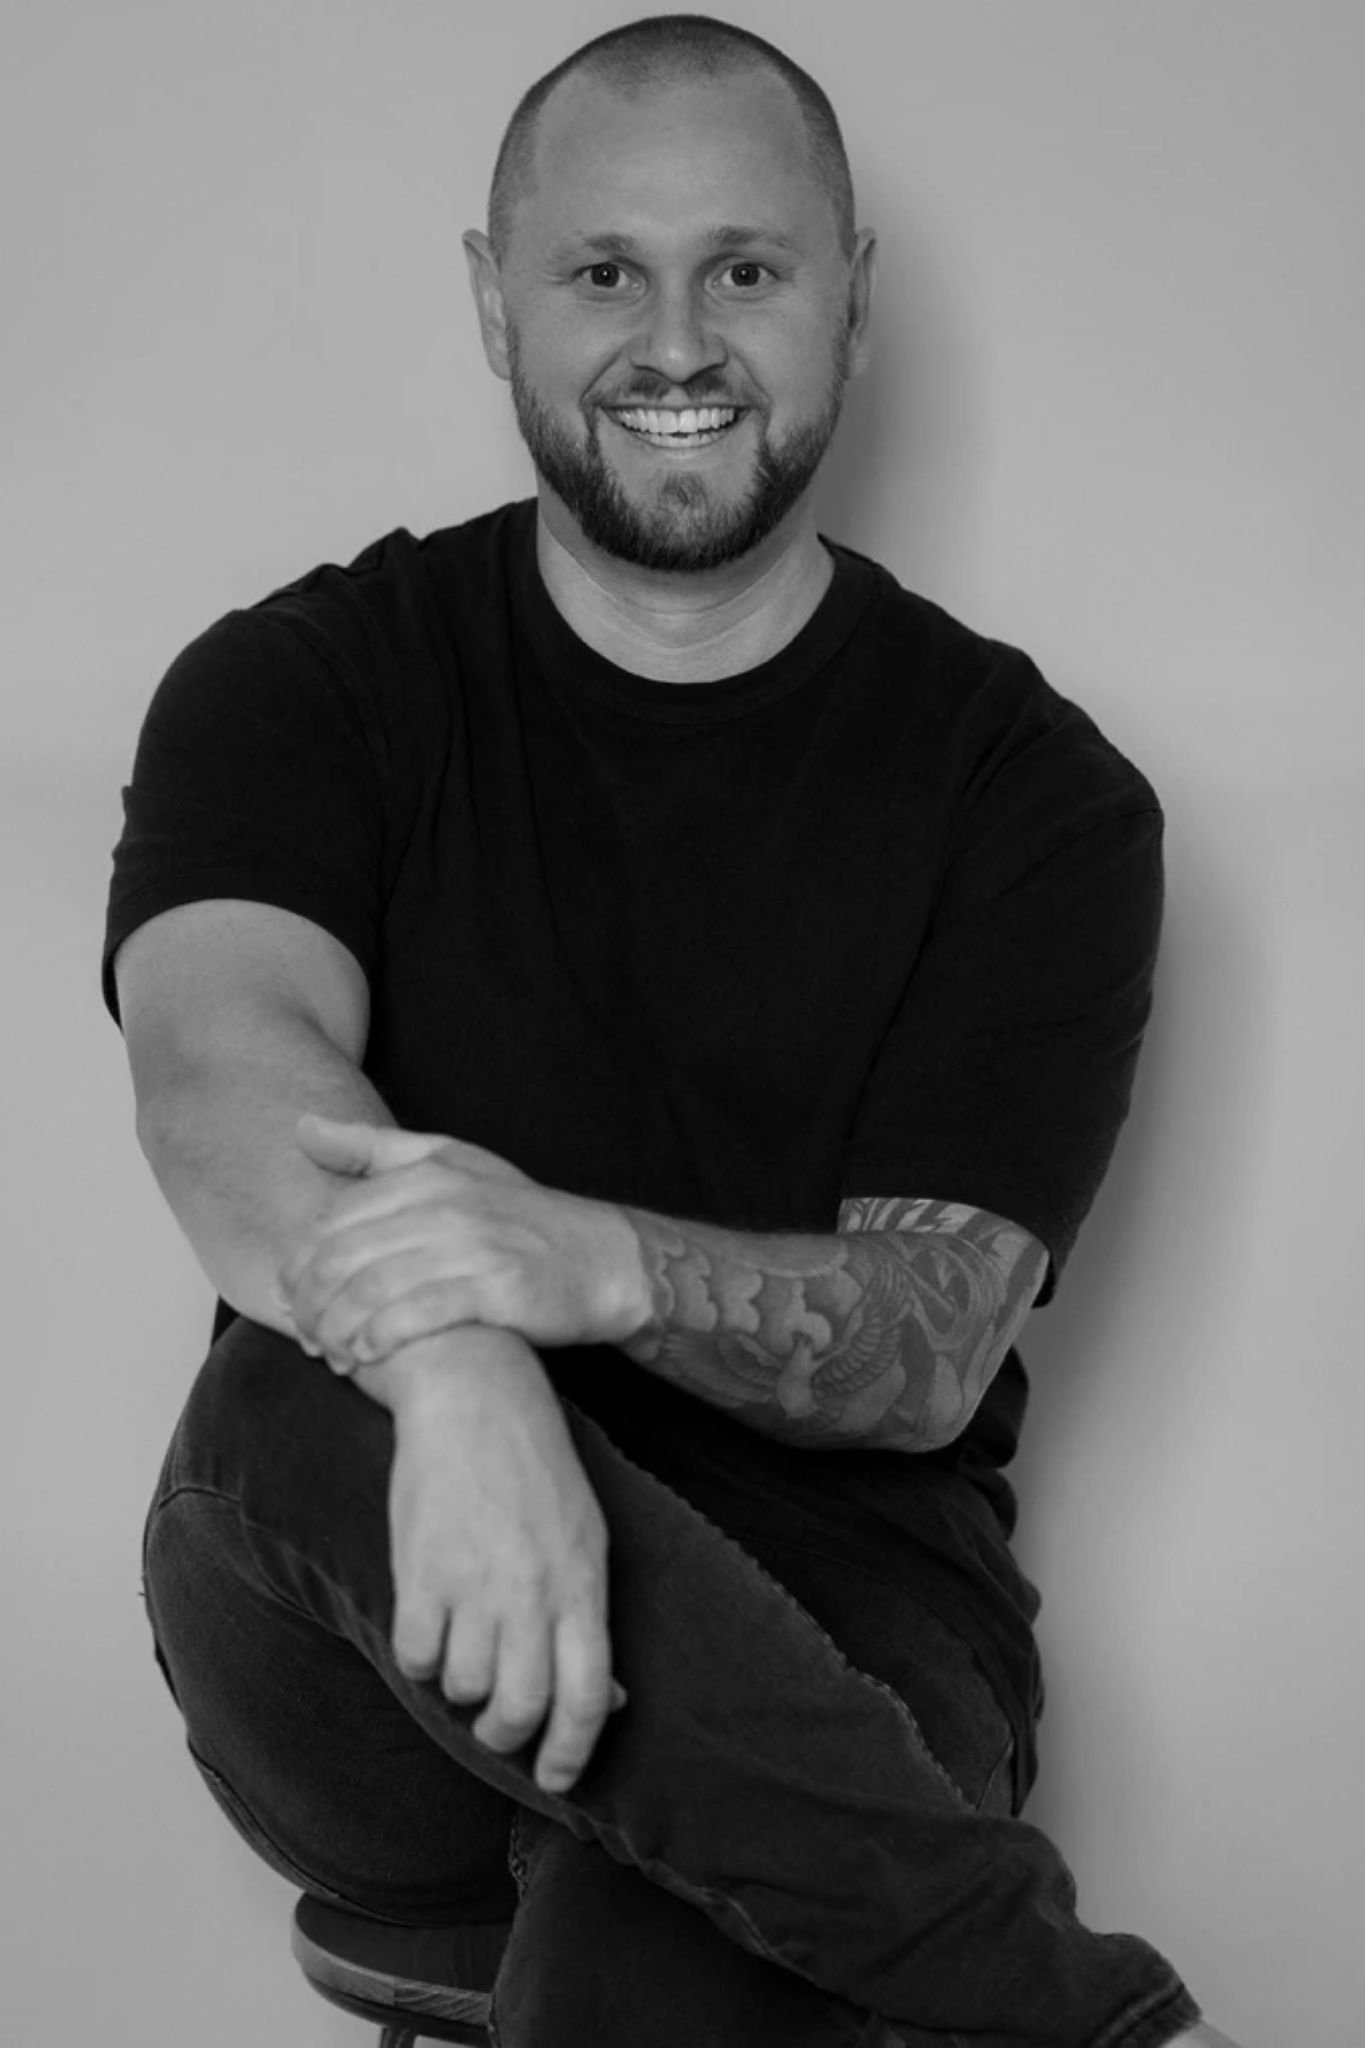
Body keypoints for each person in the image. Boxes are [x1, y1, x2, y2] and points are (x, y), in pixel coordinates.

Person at [103, 15, 1244, 2047]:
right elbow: (221, 1076)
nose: (678, 339)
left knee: (671, 1973)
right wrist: (464, 1355)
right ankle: (1055, 2012)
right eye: (601, 270)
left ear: (847, 302)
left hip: (849, 1632)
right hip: (367, 1620)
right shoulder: (303, 685)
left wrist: (583, 1262)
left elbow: (921, 1347)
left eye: (747, 266)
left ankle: (623, 1919)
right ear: (490, 299)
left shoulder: (1031, 793)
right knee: (300, 1377)